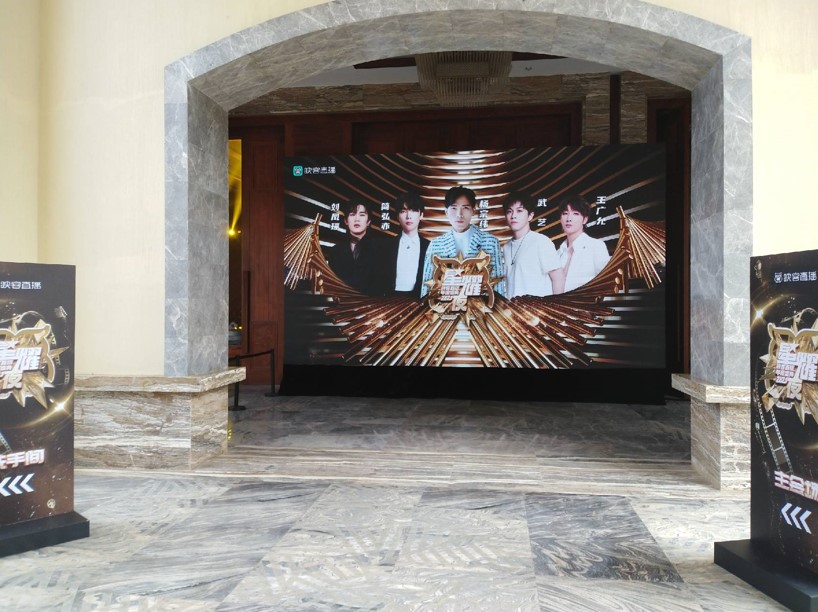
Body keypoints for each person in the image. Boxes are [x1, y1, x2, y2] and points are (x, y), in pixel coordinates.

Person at [420, 186, 505, 297]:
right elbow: (427, 286)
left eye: (465, 208)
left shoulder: (490, 242)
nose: (459, 214)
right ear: (446, 212)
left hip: (481, 305)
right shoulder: (436, 244)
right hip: (445, 305)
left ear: (473, 210)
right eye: (454, 208)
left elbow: (498, 285)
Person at [502, 192, 564, 297]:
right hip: (512, 306)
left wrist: (555, 305)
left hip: (537, 306)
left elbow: (558, 278)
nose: (513, 216)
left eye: (519, 211)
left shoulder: (541, 242)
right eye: (509, 211)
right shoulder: (506, 247)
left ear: (530, 216)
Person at [325, 201, 388, 295]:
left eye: (362, 215)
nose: (357, 219)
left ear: (368, 222)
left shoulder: (380, 249)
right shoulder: (335, 251)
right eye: (352, 214)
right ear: (346, 221)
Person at [557, 194, 611, 292]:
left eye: (575, 213)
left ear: (585, 219)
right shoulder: (557, 253)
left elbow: (606, 282)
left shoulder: (596, 246)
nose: (569, 218)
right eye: (565, 213)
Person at [386, 191, 430, 296]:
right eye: (403, 211)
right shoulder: (387, 246)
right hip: (391, 300)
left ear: (421, 215)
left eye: (413, 210)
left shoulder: (430, 247)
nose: (408, 216)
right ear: (398, 216)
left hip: (419, 300)